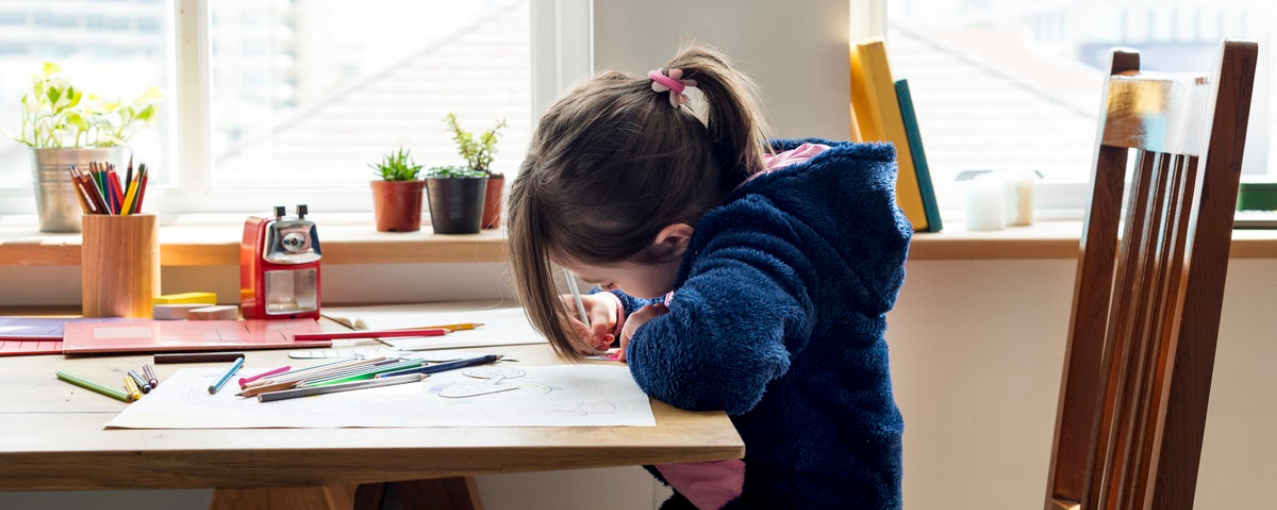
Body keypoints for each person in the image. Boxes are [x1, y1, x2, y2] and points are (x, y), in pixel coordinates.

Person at [507, 45, 911, 509]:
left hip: (809, 495)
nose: (606, 286)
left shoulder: (765, 242)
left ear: (672, 240)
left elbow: (712, 363)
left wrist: (640, 339)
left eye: (607, 278)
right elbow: (698, 294)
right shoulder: (727, 224)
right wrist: (619, 308)